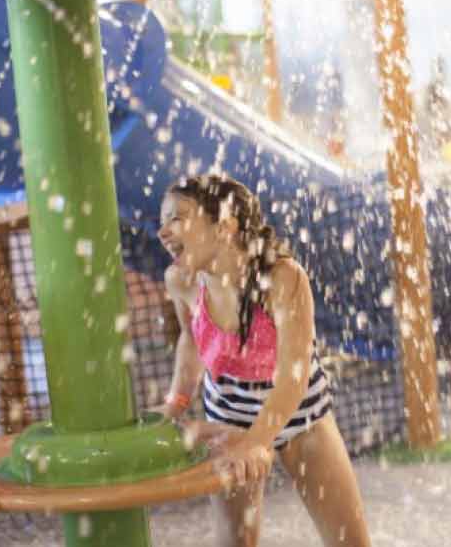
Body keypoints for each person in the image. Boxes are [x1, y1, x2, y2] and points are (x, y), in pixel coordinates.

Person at [156, 174, 370, 547]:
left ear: (225, 226)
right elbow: (191, 341)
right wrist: (176, 404)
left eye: (177, 217)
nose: (163, 232)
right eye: (163, 220)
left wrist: (256, 442)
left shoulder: (284, 279)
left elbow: (293, 375)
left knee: (350, 542)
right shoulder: (182, 280)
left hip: (300, 413)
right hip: (227, 414)